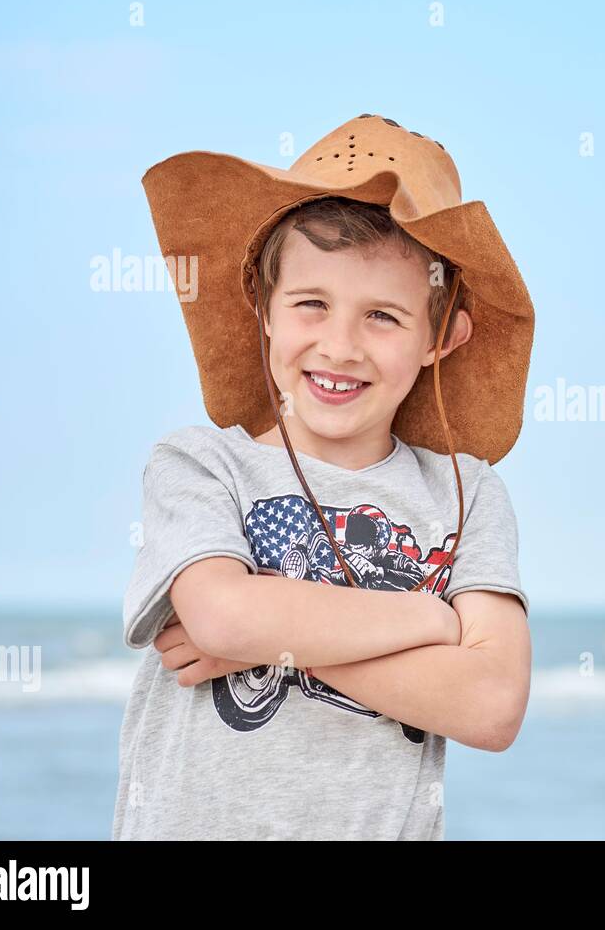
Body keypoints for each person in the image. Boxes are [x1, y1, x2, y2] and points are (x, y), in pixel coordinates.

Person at [111, 114, 535, 840]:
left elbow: (492, 704)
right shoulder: (202, 465)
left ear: (441, 337)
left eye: (382, 316)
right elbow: (220, 616)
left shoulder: (465, 496)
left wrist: (268, 642)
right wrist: (427, 621)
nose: (339, 347)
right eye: (311, 304)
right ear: (262, 309)